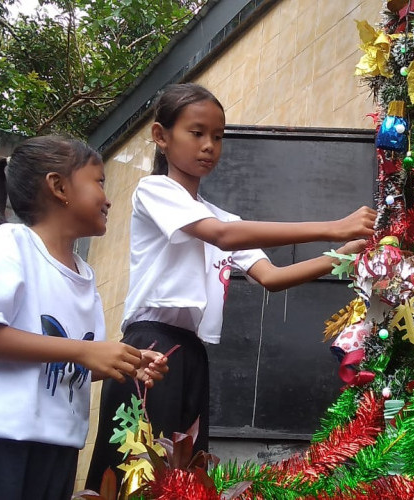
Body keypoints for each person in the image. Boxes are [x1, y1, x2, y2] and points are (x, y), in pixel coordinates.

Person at [86, 82, 377, 490]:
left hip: (191, 355)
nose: (209, 146)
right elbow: (221, 236)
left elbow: (271, 278)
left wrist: (345, 253)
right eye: (197, 132)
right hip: (148, 350)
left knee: (183, 479)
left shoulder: (222, 216)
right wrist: (333, 229)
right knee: (135, 473)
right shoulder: (155, 191)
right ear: (160, 136)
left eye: (218, 137)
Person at [0, 136, 168, 500]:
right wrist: (82, 352)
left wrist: (124, 362)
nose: (108, 198)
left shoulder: (86, 278)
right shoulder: (11, 244)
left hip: (60, 447)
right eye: (99, 181)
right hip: (6, 441)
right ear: (59, 186)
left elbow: (74, 360)